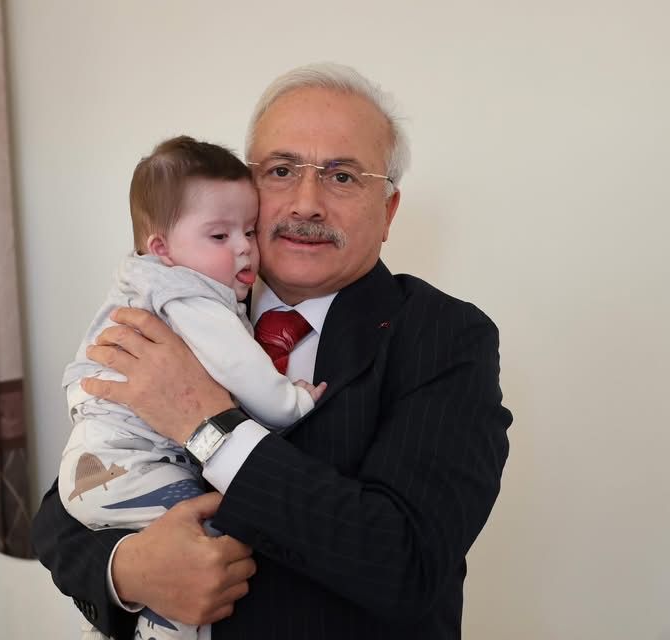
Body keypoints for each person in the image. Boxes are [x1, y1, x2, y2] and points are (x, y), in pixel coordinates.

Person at [33, 62, 513, 640]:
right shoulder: (173, 306)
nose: (306, 204)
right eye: (281, 171)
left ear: (388, 211)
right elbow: (69, 503)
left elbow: (406, 561)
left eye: (342, 176)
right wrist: (129, 571)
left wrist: (207, 424)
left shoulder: (447, 337)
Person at [58, 135, 325, 640]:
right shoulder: (190, 295)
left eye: (248, 230)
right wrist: (292, 402)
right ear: (162, 248)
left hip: (100, 456)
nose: (244, 247)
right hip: (125, 463)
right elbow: (240, 366)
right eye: (219, 236)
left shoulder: (143, 284)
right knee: (202, 550)